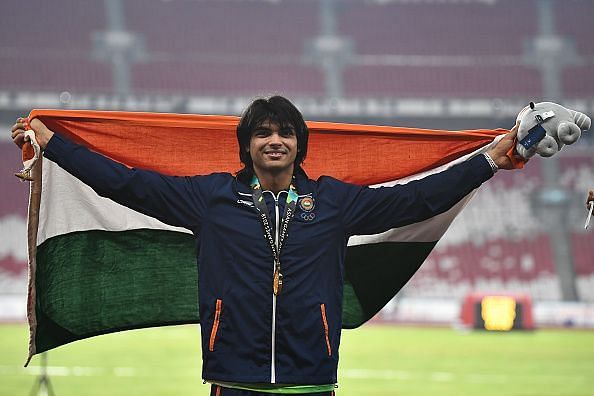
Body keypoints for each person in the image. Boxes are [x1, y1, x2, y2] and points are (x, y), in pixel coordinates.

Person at [11, 96, 519, 395]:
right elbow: (125, 183)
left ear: (299, 144)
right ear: (246, 145)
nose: (273, 141)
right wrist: (53, 144)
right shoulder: (209, 198)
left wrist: (490, 159)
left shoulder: (334, 202)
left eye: (284, 133)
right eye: (262, 134)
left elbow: (416, 199)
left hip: (312, 375)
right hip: (233, 376)